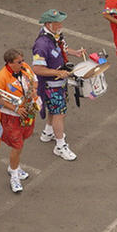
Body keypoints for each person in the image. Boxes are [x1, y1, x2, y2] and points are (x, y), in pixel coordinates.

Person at [31, 9, 85, 160]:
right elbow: (37, 68)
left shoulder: (56, 35)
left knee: (55, 111)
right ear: (49, 24)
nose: (61, 25)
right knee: (59, 113)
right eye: (58, 22)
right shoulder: (41, 44)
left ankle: (48, 132)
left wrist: (75, 53)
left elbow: (63, 48)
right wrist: (57, 73)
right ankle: (60, 146)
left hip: (59, 82)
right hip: (51, 85)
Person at [0, 49, 39, 193]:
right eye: (19, 62)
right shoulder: (1, 77)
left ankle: (15, 166)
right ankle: (13, 174)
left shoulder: (25, 68)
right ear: (10, 63)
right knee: (17, 145)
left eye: (22, 60)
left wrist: (33, 92)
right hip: (11, 116)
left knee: (23, 140)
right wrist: (15, 109)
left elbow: (34, 81)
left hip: (27, 111)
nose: (23, 63)